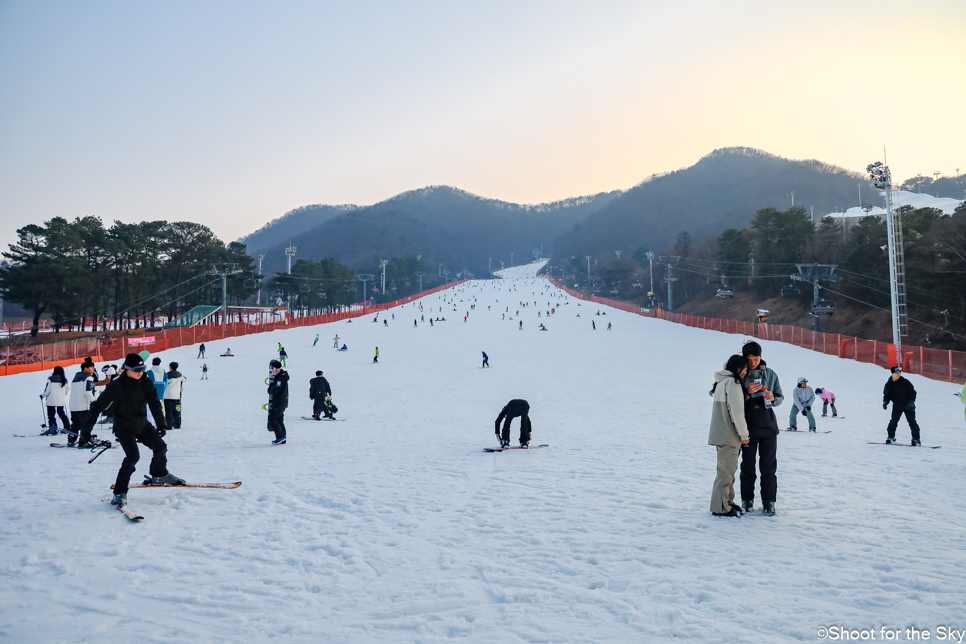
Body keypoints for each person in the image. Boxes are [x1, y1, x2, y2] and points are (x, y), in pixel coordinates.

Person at [79, 352, 184, 509]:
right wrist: (85, 433)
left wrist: (161, 424)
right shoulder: (116, 385)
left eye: (142, 369)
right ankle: (119, 493)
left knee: (161, 447)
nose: (140, 372)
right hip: (124, 427)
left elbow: (155, 403)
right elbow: (96, 407)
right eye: (136, 369)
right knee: (133, 456)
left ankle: (159, 474)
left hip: (142, 424)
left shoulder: (146, 382)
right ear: (127, 369)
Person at [740, 341, 784, 516]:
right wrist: (748, 392)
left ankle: (769, 502)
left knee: (768, 467)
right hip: (747, 428)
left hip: (768, 427)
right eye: (749, 359)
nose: (753, 363)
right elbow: (734, 400)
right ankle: (746, 500)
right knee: (747, 466)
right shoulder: (740, 374)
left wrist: (773, 398)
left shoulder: (770, 374)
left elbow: (780, 398)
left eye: (756, 359)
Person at [708, 355, 750, 517]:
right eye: (743, 369)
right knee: (725, 473)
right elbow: (737, 412)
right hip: (728, 434)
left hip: (722, 434)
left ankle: (727, 502)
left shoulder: (722, 382)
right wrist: (744, 434)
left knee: (728, 470)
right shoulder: (732, 383)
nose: (745, 373)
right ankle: (720, 506)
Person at [883, 366, 921, 445]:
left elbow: (912, 392)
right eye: (897, 373)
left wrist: (911, 402)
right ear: (892, 373)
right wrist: (886, 402)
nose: (898, 375)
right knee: (893, 421)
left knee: (912, 422)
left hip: (908, 405)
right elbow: (887, 394)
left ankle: (916, 439)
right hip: (897, 405)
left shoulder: (905, 382)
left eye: (899, 373)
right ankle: (891, 437)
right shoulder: (889, 384)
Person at [68, 359, 99, 446]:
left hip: (73, 405)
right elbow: (87, 392)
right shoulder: (88, 378)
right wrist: (95, 401)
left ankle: (71, 440)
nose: (93, 369)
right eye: (91, 367)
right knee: (86, 424)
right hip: (83, 406)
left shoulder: (76, 377)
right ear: (85, 368)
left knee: (75, 424)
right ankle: (83, 442)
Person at [41, 366, 71, 436]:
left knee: (51, 415)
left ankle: (53, 428)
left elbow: (47, 391)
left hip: (51, 400)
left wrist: (42, 395)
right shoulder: (64, 380)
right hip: (61, 400)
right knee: (61, 414)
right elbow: (66, 392)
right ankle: (67, 427)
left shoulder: (50, 379)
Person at [267, 360, 289, 445]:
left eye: (272, 369)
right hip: (281, 402)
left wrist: (270, 389)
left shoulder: (280, 379)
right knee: (279, 419)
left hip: (279, 402)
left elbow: (275, 390)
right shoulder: (281, 377)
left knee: (272, 419)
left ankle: (281, 437)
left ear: (277, 369)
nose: (272, 371)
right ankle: (282, 437)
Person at [163, 362, 185, 429]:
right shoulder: (179, 375)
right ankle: (177, 425)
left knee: (168, 411)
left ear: (170, 367)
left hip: (167, 395)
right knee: (175, 410)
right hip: (176, 396)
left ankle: (169, 426)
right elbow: (184, 379)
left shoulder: (167, 375)